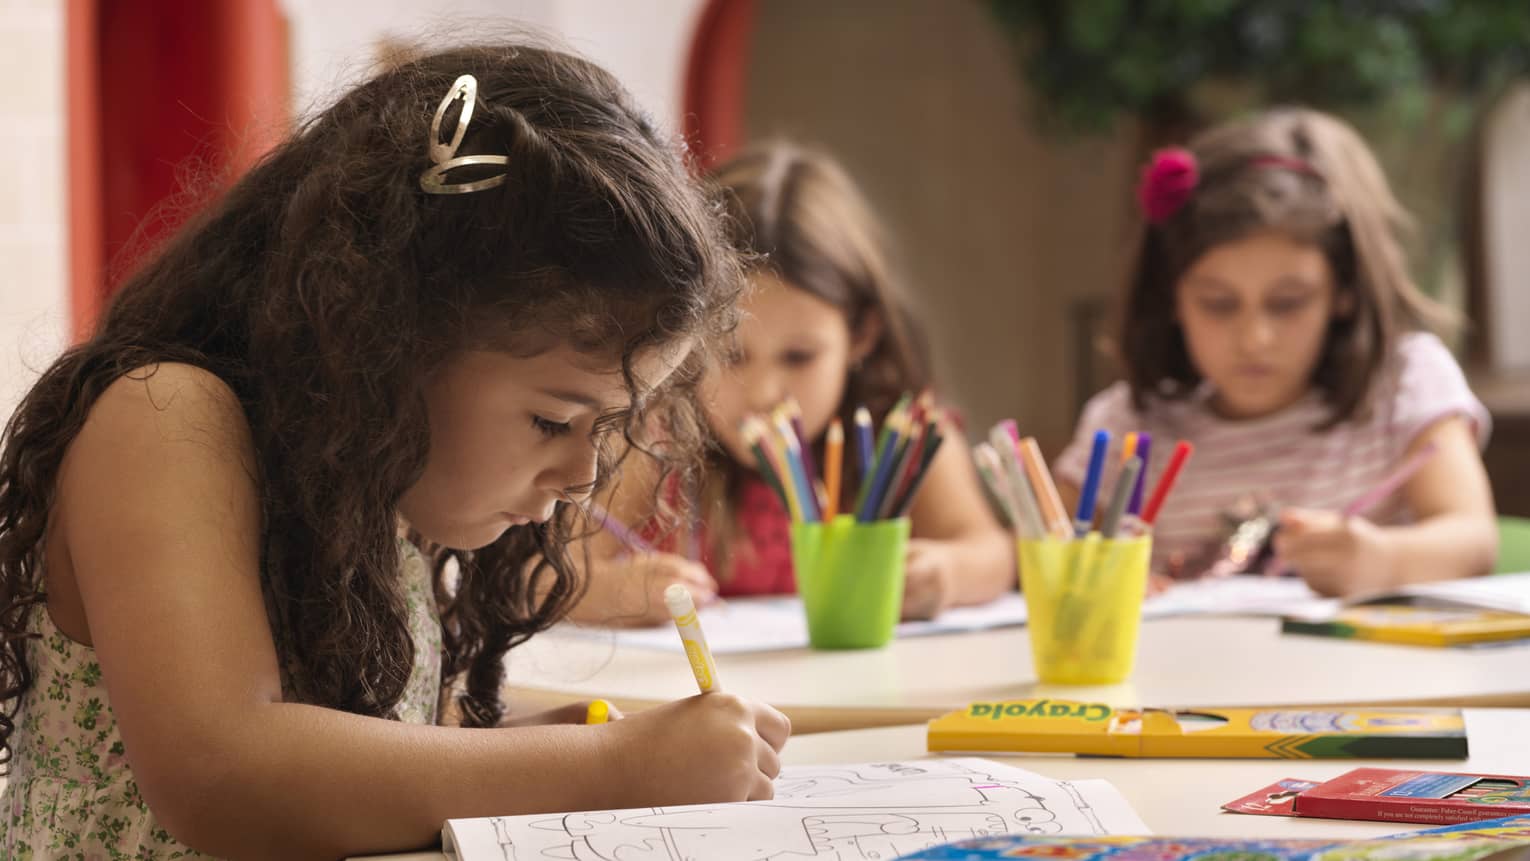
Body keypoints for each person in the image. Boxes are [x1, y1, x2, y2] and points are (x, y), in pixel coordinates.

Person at [0, 43, 790, 858]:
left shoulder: (367, 486)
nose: (585, 478)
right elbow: (225, 770)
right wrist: (613, 765)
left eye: (611, 426)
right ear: (386, 339)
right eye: (554, 420)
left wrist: (538, 743)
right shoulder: (163, 419)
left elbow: (352, 747)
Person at [1055, 107, 1495, 598]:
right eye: (1218, 305)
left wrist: (1381, 560)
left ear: (1343, 290)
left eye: (1288, 304)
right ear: (1171, 295)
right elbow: (1044, 549)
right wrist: (1093, 578)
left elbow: (1473, 541)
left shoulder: (1405, 382)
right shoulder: (1127, 424)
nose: (1255, 338)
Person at [572, 143, 1014, 624]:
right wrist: (613, 591)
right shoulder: (655, 436)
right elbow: (543, 577)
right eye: (732, 354)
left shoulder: (902, 434)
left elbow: (993, 553)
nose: (764, 393)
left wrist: (944, 574)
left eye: (799, 356)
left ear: (862, 333)